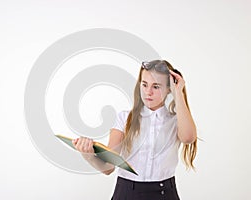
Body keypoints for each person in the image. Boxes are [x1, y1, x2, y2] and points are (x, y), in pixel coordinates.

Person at [72, 60, 197, 200]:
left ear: (169, 89)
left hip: (164, 193)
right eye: (144, 85)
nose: (148, 92)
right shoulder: (124, 118)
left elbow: (188, 138)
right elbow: (108, 167)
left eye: (156, 87)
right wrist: (87, 154)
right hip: (126, 193)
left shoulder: (175, 121)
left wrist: (178, 92)